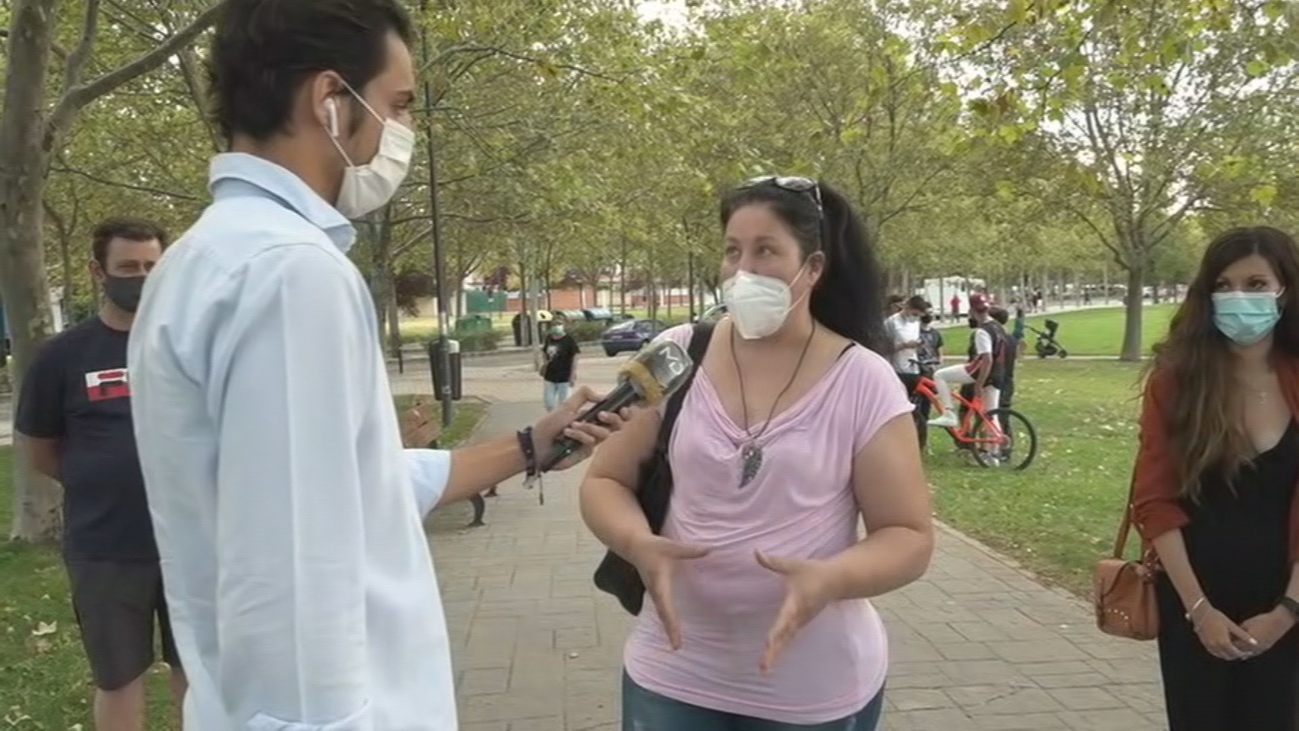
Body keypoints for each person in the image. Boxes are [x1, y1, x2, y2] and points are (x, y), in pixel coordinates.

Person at [126, 3, 625, 729]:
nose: (403, 132)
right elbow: (297, 570)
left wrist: (529, 443)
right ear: (330, 99)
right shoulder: (290, 273)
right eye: (398, 105)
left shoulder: (198, 261)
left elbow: (353, 486)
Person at [580, 176, 934, 730]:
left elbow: (908, 536)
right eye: (732, 251)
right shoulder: (675, 354)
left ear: (812, 268)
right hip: (673, 672)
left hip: (811, 687)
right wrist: (636, 543)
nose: (742, 271)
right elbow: (606, 480)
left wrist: (831, 578)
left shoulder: (864, 380)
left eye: (765, 251)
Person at [14, 218, 186, 731]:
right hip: (105, 547)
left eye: (152, 266)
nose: (142, 277)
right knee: (117, 678)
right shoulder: (62, 356)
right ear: (98, 271)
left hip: (191, 543)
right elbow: (41, 448)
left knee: (199, 673)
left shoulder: (187, 346)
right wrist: (102, 481)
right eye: (128, 267)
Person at [1132, 226, 1299, 731]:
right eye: (1223, 285)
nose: (1237, 298)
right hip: (1194, 595)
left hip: (1286, 598)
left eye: (1255, 284)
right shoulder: (1176, 382)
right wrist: (1199, 609)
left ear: (1285, 290)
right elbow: (1155, 500)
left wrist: (1287, 612)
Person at [928, 292, 1005, 428]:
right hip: (997, 373)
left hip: (979, 370)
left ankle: (949, 413)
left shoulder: (982, 332)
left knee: (939, 375)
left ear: (971, 311)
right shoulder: (998, 326)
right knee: (991, 415)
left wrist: (979, 384)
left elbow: (987, 359)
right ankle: (998, 440)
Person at [886, 295, 930, 445]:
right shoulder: (891, 323)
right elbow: (883, 347)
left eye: (918, 316)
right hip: (896, 369)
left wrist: (918, 345)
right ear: (907, 307)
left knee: (916, 407)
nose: (915, 317)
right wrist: (904, 345)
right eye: (914, 313)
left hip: (913, 367)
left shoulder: (915, 323)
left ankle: (915, 439)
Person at [540, 317, 580, 411]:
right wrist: (545, 363)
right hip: (550, 375)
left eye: (559, 325)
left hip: (564, 376)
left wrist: (572, 374)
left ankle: (563, 418)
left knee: (564, 403)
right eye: (554, 325)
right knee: (549, 403)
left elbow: (575, 356)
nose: (556, 327)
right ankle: (552, 416)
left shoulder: (568, 340)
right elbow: (544, 351)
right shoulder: (549, 338)